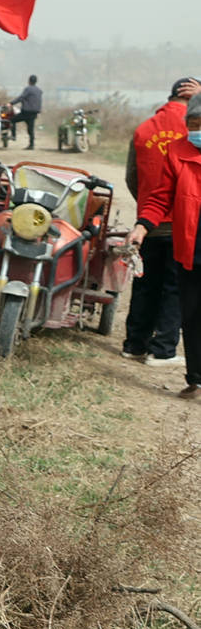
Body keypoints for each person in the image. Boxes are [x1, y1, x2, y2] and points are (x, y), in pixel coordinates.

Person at [130, 92, 201, 400]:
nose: (196, 129)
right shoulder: (177, 151)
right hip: (191, 248)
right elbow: (159, 196)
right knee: (193, 316)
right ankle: (197, 379)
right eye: (193, 123)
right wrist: (142, 225)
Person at [13, 73, 45, 149]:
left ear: (29, 81)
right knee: (31, 128)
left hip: (26, 112)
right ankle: (31, 145)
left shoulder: (28, 89)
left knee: (12, 120)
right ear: (36, 81)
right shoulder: (39, 90)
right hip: (34, 113)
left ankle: (13, 136)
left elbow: (21, 98)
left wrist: (11, 103)